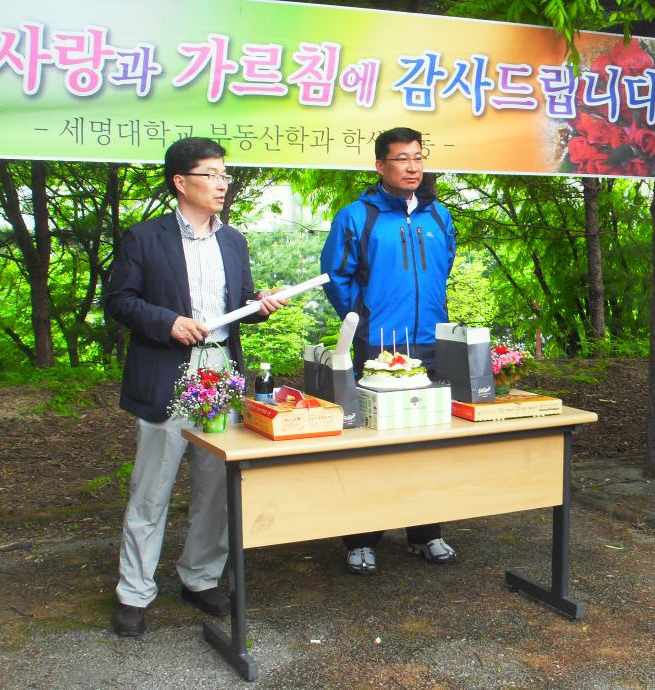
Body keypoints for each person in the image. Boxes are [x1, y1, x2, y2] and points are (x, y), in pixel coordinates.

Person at [104, 137, 287, 636]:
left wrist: (260, 302)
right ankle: (134, 593)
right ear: (181, 182)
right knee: (151, 489)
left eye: (224, 174)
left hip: (220, 369)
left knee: (216, 485)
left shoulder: (234, 241)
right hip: (168, 369)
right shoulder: (145, 237)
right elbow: (119, 300)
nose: (222, 183)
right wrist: (167, 322)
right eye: (211, 174)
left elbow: (240, 301)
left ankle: (201, 577)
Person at [319, 126, 458, 575]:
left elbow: (444, 266)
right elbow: (336, 276)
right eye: (402, 159)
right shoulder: (357, 217)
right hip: (377, 345)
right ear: (381, 165)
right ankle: (362, 539)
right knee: (371, 445)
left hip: (430, 342)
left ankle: (426, 532)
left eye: (418, 157)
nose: (412, 167)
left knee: (429, 441)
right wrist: (363, 320)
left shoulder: (439, 216)